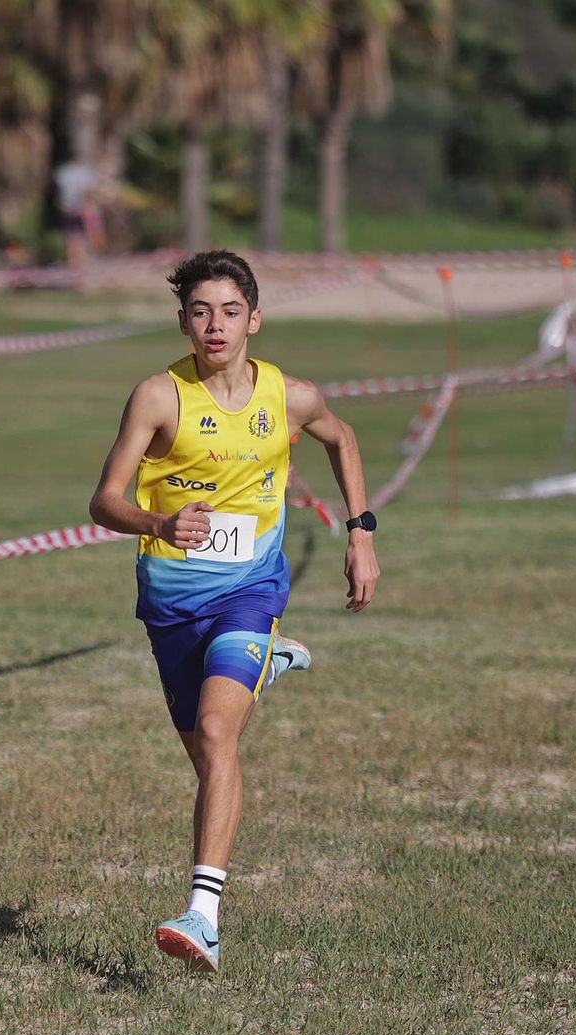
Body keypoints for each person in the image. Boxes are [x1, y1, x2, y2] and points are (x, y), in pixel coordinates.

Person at [87, 249, 380, 974]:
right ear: (182, 320)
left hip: (251, 592)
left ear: (255, 317)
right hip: (172, 604)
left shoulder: (289, 396)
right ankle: (264, 663)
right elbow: (103, 500)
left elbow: (342, 436)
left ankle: (204, 915)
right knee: (205, 749)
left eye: (228, 311)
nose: (214, 325)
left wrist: (361, 533)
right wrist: (157, 523)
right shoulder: (158, 396)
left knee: (219, 734)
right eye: (199, 311)